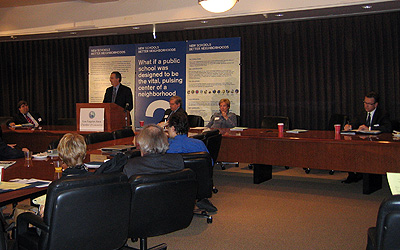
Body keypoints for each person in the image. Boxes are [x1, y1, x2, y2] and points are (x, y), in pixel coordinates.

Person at [166, 112, 217, 212]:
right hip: (199, 187)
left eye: (168, 127)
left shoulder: (166, 147)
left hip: (174, 187)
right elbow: (209, 164)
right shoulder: (199, 144)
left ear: (172, 128)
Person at [342, 91, 392, 183]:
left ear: (376, 104)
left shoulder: (383, 113)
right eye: (365, 103)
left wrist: (369, 128)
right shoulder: (362, 113)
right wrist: (350, 126)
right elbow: (355, 122)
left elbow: (388, 127)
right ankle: (353, 175)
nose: (366, 106)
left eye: (369, 104)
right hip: (362, 142)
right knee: (348, 149)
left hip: (376, 144)